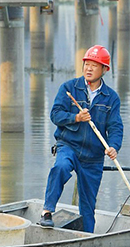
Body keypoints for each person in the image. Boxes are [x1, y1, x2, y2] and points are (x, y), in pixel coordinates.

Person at [41, 45, 123, 232]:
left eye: (95, 65)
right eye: (87, 64)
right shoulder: (69, 88)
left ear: (104, 70)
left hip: (93, 157)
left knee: (87, 206)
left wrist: (113, 147)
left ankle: (87, 238)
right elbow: (55, 115)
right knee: (60, 167)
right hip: (69, 145)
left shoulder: (111, 98)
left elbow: (116, 127)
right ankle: (46, 212)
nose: (89, 68)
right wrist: (75, 118)